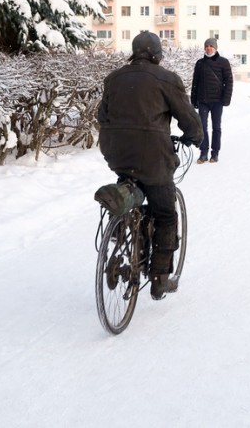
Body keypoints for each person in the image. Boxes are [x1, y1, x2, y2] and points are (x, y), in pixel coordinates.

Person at [97, 30, 203, 300]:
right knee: (166, 214)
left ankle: (120, 227)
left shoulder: (114, 78)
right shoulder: (166, 79)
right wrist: (194, 137)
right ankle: (159, 278)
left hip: (116, 152)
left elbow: (102, 114)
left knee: (129, 183)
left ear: (134, 53)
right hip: (153, 157)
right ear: (157, 55)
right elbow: (187, 116)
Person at [191, 37, 233, 163]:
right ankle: (203, 153)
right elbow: (195, 82)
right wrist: (193, 99)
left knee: (216, 127)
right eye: (207, 46)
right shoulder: (200, 63)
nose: (209, 48)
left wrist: (226, 99)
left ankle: (215, 153)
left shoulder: (223, 62)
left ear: (215, 48)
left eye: (211, 46)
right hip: (203, 100)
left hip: (217, 101)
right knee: (202, 127)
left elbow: (229, 81)